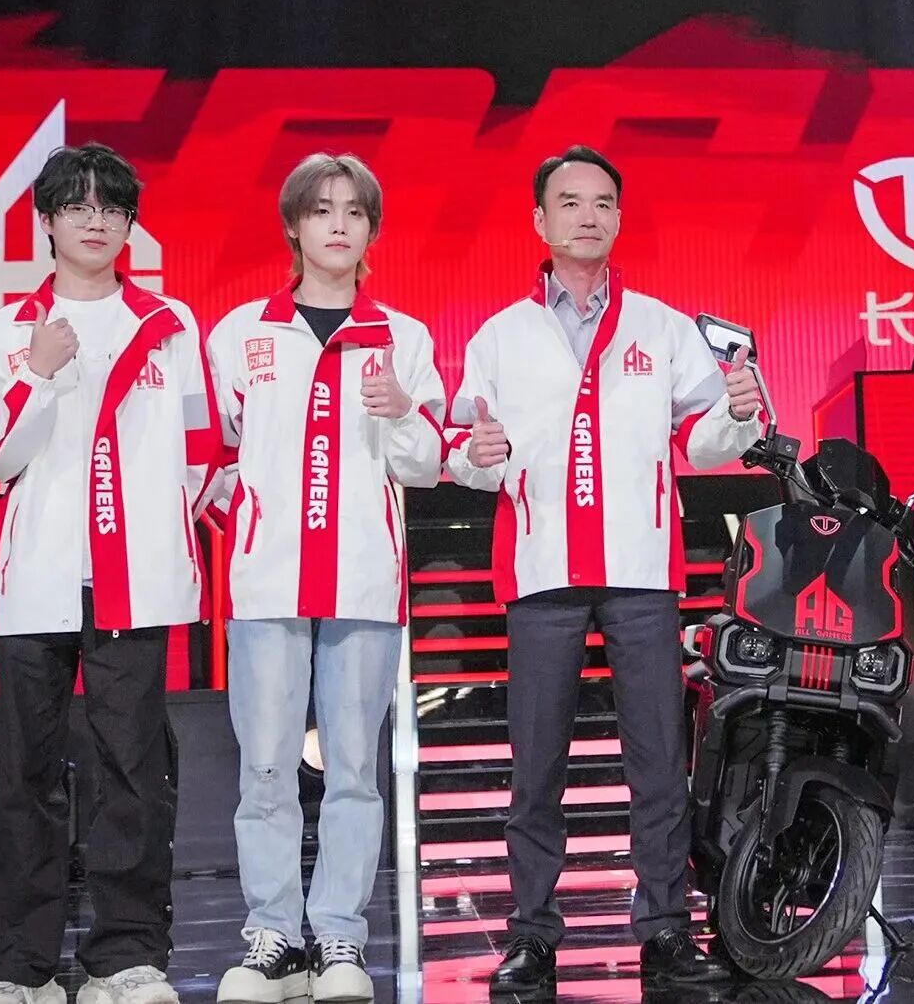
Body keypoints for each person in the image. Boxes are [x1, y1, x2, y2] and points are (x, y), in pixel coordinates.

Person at [444, 146, 764, 991]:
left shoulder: (662, 327)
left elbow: (704, 441)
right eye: (570, 202)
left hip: (640, 566)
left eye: (603, 202)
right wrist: (477, 454)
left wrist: (738, 415)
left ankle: (666, 928)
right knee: (536, 764)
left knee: (658, 758)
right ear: (540, 220)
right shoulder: (499, 335)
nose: (588, 215)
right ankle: (531, 933)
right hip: (541, 567)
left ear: (620, 218)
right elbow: (463, 449)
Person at [0, 144, 212, 1004]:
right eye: (77, 206)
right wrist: (37, 371)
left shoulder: (168, 322)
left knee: (134, 767)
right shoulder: (7, 330)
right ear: (48, 221)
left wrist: (156, 530)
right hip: (37, 579)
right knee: (22, 771)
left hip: (138, 580)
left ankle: (125, 957)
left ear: (130, 223)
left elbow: (204, 451)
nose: (96, 221)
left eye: (112, 207)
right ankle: (13, 967)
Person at [205, 155, 447, 1001]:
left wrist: (402, 412)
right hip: (267, 584)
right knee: (266, 769)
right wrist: (244, 508)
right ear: (293, 226)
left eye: (353, 211)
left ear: (371, 230)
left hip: (364, 584)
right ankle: (271, 935)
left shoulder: (404, 338)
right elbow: (212, 453)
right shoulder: (240, 334)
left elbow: (428, 462)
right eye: (321, 209)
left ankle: (340, 936)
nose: (338, 224)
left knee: (353, 772)